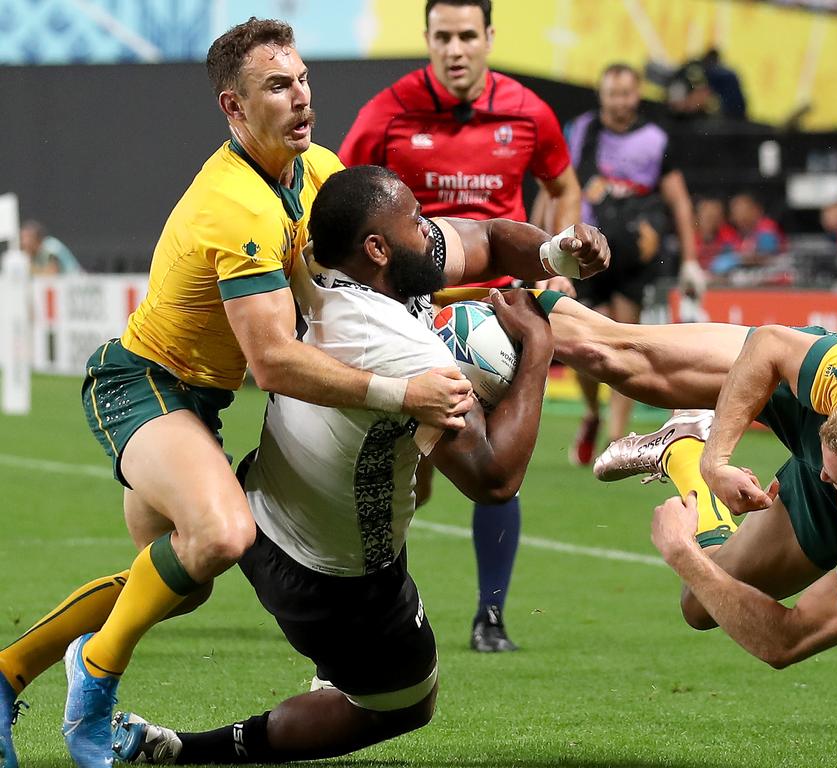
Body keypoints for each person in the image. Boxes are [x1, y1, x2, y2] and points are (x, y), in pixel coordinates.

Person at [0, 19, 479, 768]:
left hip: (199, 402)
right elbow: (275, 364)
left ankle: (6, 672)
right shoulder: (236, 205)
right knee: (223, 537)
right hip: (141, 384)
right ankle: (92, 683)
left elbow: (372, 268)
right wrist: (401, 388)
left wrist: (526, 268)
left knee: (180, 577)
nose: (300, 98)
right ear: (234, 105)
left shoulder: (315, 169)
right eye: (277, 87)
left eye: (303, 80)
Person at [106, 165, 606, 765]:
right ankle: (184, 750)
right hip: (330, 577)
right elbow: (495, 479)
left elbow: (492, 240)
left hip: (259, 502)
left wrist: (555, 253)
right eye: (418, 223)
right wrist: (537, 353)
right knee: (405, 701)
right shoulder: (398, 346)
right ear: (377, 249)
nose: (430, 230)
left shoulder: (323, 265)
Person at [544, 300, 837, 666]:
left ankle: (680, 448)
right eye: (823, 462)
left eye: (831, 477)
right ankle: (498, 285)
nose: (817, 473)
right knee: (613, 356)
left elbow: (784, 641)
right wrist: (716, 462)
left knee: (699, 605)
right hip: (825, 409)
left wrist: (684, 555)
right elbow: (768, 345)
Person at [338, 0, 583, 652]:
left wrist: (556, 257)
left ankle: (491, 615)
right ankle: (379, 599)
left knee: (497, 461)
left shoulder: (529, 113)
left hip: (496, 315)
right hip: (410, 315)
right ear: (426, 39)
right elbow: (340, 196)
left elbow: (563, 186)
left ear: (489, 38)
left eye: (467, 36)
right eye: (442, 36)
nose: (455, 49)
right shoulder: (385, 112)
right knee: (410, 474)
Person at [563, 62, 701, 466]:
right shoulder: (581, 131)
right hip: (585, 250)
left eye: (627, 93)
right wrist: (540, 238)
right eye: (613, 93)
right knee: (581, 347)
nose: (620, 101)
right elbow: (560, 184)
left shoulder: (656, 139)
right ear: (601, 94)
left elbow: (679, 200)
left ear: (637, 94)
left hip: (634, 255)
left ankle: (615, 438)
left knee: (622, 343)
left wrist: (691, 260)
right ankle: (591, 413)